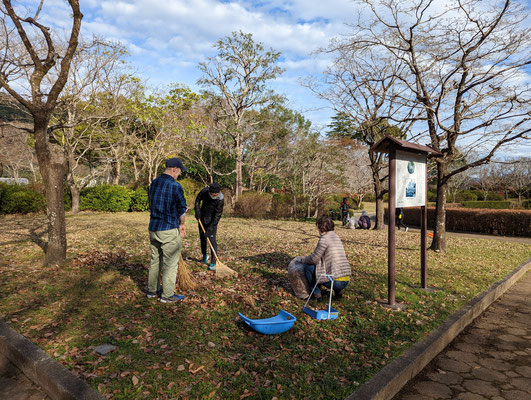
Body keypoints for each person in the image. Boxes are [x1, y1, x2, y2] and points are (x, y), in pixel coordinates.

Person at [147, 157, 187, 303]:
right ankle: (167, 295)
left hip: (153, 228)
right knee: (170, 263)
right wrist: (182, 224)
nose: (180, 174)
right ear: (174, 169)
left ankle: (152, 291)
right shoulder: (176, 186)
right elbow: (181, 209)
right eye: (179, 172)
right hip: (168, 229)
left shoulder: (154, 183)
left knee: (155, 260)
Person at [300, 215, 351, 300]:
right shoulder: (336, 237)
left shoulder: (324, 239)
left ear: (322, 227)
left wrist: (304, 259)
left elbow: (314, 259)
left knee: (308, 267)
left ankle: (316, 294)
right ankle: (338, 292)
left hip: (336, 281)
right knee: (330, 268)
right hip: (346, 279)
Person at [194, 182, 224, 271]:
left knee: (211, 239)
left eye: (216, 194)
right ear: (210, 192)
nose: (214, 195)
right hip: (202, 216)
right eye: (213, 194)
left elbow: (218, 215)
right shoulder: (204, 191)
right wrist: (197, 211)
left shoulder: (220, 199)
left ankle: (213, 261)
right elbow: (197, 200)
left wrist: (211, 227)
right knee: (203, 238)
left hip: (212, 219)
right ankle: (204, 255)